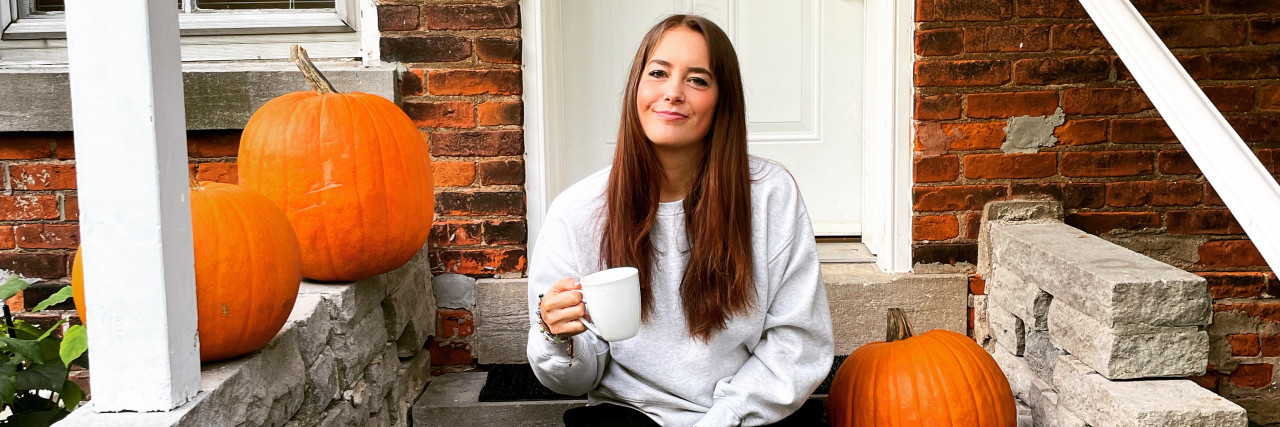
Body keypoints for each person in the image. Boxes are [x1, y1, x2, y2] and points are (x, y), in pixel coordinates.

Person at [526, 14, 834, 427]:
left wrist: (722, 419)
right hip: (628, 416)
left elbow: (799, 343)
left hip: (744, 416)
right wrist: (556, 338)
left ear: (722, 100)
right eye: (658, 73)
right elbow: (575, 379)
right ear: (636, 86)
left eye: (698, 80)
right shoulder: (577, 211)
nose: (672, 93)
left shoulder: (770, 196)